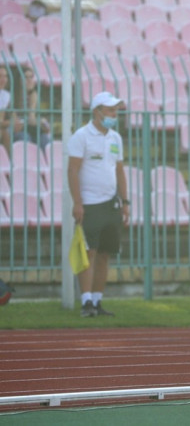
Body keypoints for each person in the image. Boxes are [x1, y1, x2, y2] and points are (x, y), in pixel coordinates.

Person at [68, 91, 129, 318]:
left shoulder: (115, 138)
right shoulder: (81, 136)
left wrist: (125, 201)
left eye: (115, 110)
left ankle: (97, 300)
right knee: (89, 252)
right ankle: (85, 302)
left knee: (105, 253)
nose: (114, 114)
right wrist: (78, 202)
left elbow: (120, 171)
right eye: (110, 110)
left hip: (111, 204)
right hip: (90, 204)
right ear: (97, 111)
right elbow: (72, 170)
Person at [11, 66, 51, 150]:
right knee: (25, 137)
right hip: (16, 131)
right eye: (26, 77)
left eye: (31, 77)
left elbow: (31, 118)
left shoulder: (33, 95)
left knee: (44, 138)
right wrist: (39, 121)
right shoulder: (12, 97)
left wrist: (42, 123)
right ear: (19, 80)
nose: (29, 80)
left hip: (31, 129)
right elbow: (16, 126)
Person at [0, 66, 11, 153]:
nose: (3, 79)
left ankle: (10, 160)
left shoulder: (5, 95)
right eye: (0, 76)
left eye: (5, 76)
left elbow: (1, 118)